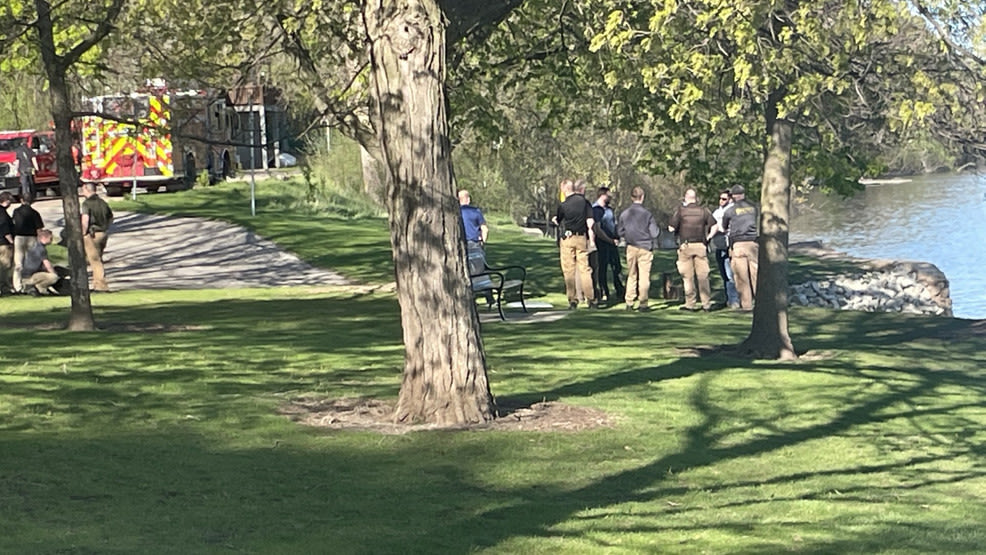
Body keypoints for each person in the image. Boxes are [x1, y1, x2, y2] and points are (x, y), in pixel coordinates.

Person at [668, 188, 717, 311]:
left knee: (687, 277)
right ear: (696, 199)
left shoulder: (680, 211)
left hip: (686, 246)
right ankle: (706, 304)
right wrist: (708, 237)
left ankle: (690, 303)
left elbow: (671, 228)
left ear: (685, 198)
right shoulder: (704, 211)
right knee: (703, 276)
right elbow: (715, 226)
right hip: (701, 245)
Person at [552, 178, 596, 309]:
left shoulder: (564, 205)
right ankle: (591, 299)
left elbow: (558, 220)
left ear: (565, 189)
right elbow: (590, 221)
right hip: (581, 237)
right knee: (585, 269)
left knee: (569, 270)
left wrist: (555, 219)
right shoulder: (584, 202)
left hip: (567, 238)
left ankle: (573, 299)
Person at [617, 186, 659, 311]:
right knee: (644, 276)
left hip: (631, 246)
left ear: (631, 197)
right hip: (645, 247)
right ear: (643, 197)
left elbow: (619, 231)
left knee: (631, 275)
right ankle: (643, 303)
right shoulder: (647, 214)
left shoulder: (625, 214)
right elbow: (655, 233)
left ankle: (629, 301)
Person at [721, 184, 759, 311]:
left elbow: (724, 227)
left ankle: (746, 306)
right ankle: (760, 304)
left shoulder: (730, 211)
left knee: (741, 277)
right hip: (753, 244)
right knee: (755, 275)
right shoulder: (754, 208)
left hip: (737, 245)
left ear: (733, 196)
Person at [458, 188, 493, 306]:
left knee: (467, 270)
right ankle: (489, 295)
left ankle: (471, 295)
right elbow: (484, 229)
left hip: (461, 244)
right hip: (475, 243)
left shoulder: (456, 212)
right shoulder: (476, 211)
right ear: (468, 199)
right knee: (481, 268)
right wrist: (483, 241)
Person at [592, 187, 624, 305]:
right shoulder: (596, 210)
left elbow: (613, 225)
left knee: (617, 267)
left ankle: (620, 291)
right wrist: (609, 240)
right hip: (602, 243)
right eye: (608, 195)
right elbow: (598, 228)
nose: (610, 197)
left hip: (612, 243)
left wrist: (617, 236)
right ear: (602, 195)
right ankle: (604, 292)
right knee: (603, 268)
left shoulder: (609, 210)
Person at [80, 183, 114, 292]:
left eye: (83, 189)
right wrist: (106, 227)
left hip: (92, 234)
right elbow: (111, 217)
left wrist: (83, 233)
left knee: (94, 260)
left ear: (87, 190)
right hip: (103, 233)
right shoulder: (103, 203)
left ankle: (101, 286)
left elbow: (85, 220)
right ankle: (96, 283)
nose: (82, 192)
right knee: (98, 258)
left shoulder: (87, 204)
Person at [709, 189, 740, 308]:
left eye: (724, 199)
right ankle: (728, 298)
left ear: (730, 199)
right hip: (719, 245)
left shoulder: (732, 211)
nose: (721, 201)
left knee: (730, 274)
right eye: (720, 198)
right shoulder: (717, 211)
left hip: (728, 246)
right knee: (724, 275)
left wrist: (719, 229)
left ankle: (734, 300)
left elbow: (728, 228)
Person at [12, 194, 44, 293]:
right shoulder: (35, 213)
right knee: (31, 262)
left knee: (18, 263)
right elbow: (39, 229)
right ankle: (29, 284)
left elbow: (14, 223)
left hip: (19, 237)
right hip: (31, 237)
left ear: (21, 200)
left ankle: (17, 286)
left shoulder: (16, 212)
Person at [20, 228, 59, 296]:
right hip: (30, 276)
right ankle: (41, 287)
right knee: (54, 277)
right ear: (44, 238)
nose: (51, 240)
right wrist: (55, 273)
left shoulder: (34, 246)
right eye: (50, 238)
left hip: (25, 275)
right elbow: (47, 265)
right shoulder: (41, 249)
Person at [0, 192, 14, 295]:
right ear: (7, 201)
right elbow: (5, 228)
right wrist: (11, 241)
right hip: (3, 244)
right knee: (5, 265)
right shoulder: (2, 213)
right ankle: (4, 287)